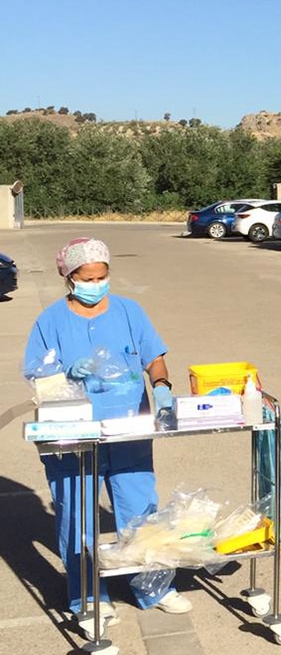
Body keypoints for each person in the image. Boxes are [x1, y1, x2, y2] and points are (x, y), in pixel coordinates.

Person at [24, 237, 192, 622]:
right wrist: (66, 372)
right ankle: (87, 597)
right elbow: (37, 376)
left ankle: (153, 587)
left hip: (129, 427)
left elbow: (155, 357)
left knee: (140, 510)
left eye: (102, 276)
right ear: (69, 277)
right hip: (76, 431)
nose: (96, 284)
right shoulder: (50, 321)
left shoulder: (129, 311)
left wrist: (162, 388)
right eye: (87, 277)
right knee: (77, 513)